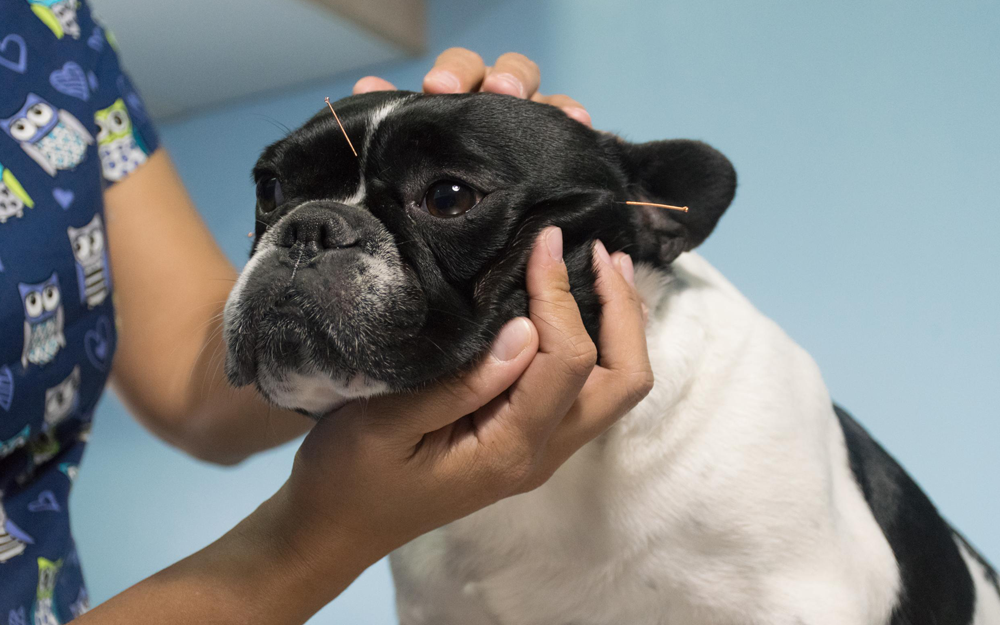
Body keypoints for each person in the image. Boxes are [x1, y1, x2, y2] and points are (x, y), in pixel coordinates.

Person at [0, 1, 652, 622]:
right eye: (280, 194)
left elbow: (189, 384)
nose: (305, 236)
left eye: (448, 196)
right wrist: (311, 539)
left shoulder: (58, 30)